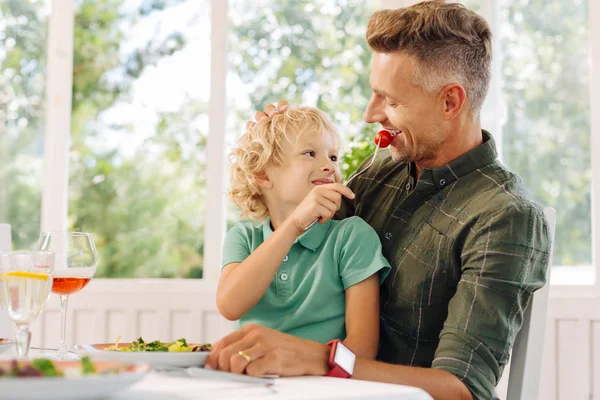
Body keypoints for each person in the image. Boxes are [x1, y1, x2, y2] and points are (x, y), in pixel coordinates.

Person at [206, 2, 551, 400]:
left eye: (390, 100)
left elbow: (461, 389)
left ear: (450, 102)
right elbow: (297, 225)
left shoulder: (504, 215)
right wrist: (267, 151)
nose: (372, 114)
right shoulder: (381, 171)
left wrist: (322, 359)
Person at [218, 106, 391, 359]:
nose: (328, 167)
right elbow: (229, 306)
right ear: (263, 174)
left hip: (325, 386)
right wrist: (293, 225)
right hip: (252, 379)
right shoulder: (244, 237)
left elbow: (362, 350)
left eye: (333, 157)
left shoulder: (352, 237)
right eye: (310, 153)